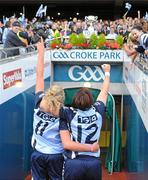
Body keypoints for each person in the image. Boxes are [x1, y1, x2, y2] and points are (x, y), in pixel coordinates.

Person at [31, 37, 99, 180]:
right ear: (62, 99)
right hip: (56, 155)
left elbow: (39, 75)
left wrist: (41, 51)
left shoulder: (39, 103)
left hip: (38, 153)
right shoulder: (62, 113)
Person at [59, 64, 110, 180]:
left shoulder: (69, 113)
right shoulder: (98, 111)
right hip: (93, 163)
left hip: (74, 162)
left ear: (75, 101)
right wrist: (107, 72)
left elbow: (49, 108)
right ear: (91, 100)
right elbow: (104, 91)